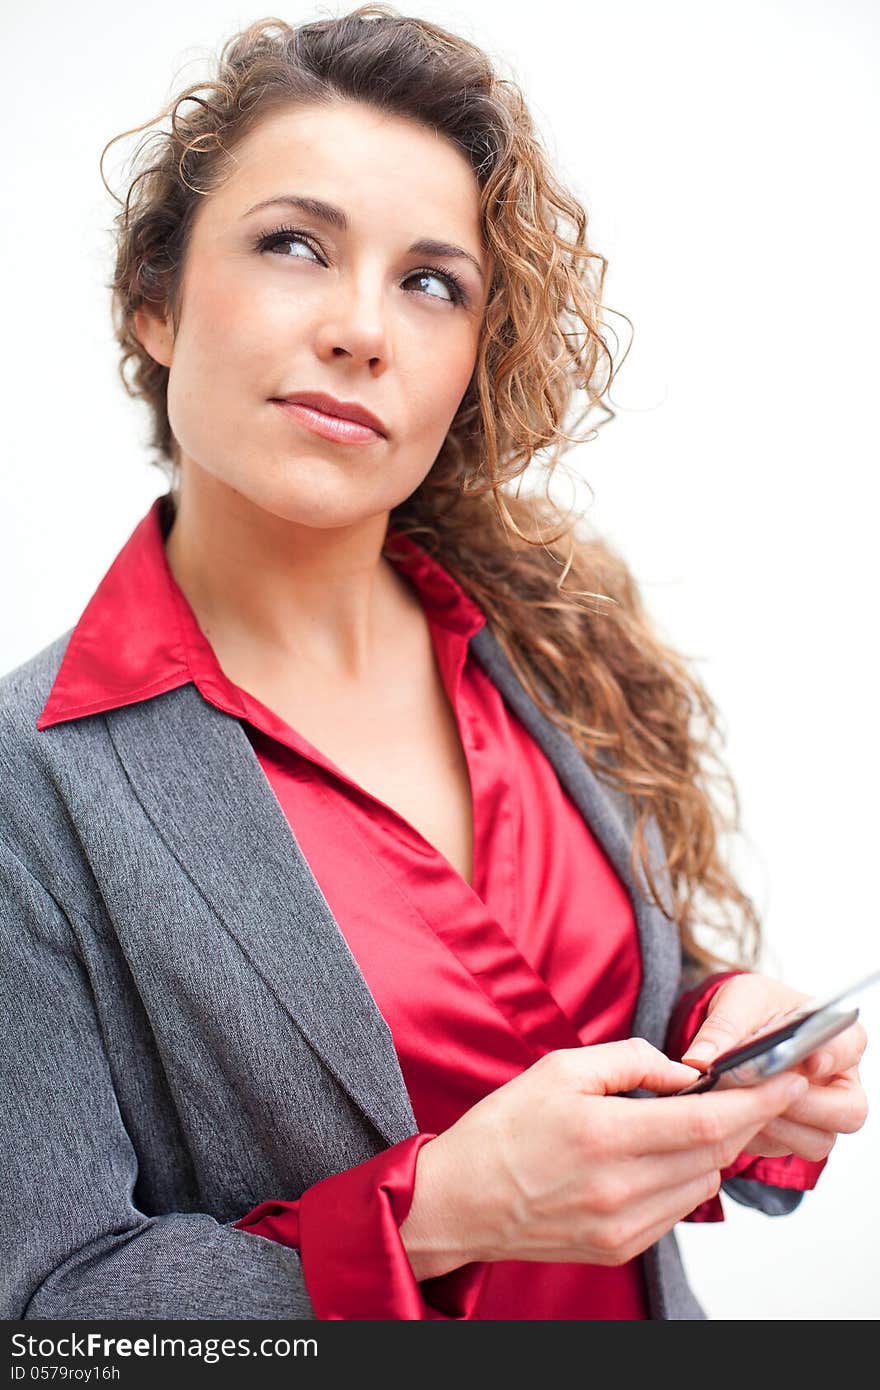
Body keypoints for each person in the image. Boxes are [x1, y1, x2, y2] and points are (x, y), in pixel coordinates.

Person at [0, 5, 868, 1322]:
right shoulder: (32, 786)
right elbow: (52, 1317)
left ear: (470, 357)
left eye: (430, 281)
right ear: (156, 303)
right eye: (296, 244)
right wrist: (441, 1207)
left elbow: (579, 1024)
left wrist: (728, 1049)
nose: (364, 328)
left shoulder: (546, 640)